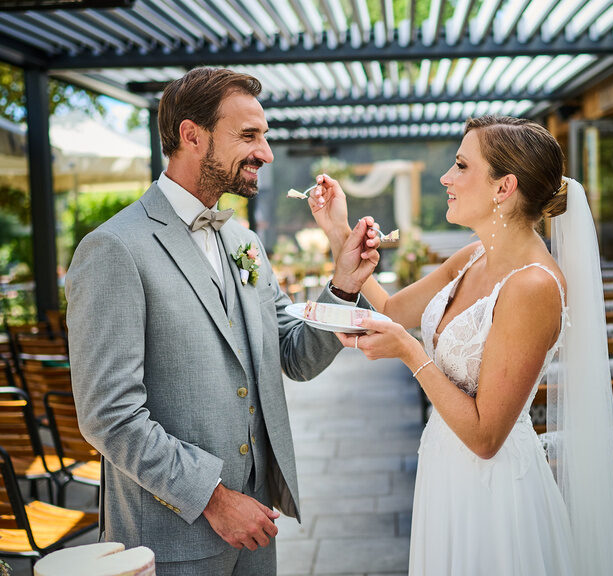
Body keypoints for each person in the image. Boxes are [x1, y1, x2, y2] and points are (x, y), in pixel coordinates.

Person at [65, 67, 380, 576]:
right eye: (249, 136)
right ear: (192, 136)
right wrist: (213, 498)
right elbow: (109, 415)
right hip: (167, 541)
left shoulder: (245, 244)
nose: (266, 153)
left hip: (256, 527)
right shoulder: (113, 249)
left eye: (265, 136)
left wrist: (343, 284)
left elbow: (294, 357)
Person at [309, 116, 613, 575]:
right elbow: (396, 311)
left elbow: (486, 438)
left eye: (461, 166)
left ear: (503, 188)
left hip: (496, 493)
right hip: (443, 470)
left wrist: (410, 353)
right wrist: (338, 232)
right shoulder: (473, 255)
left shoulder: (534, 287)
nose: (446, 177)